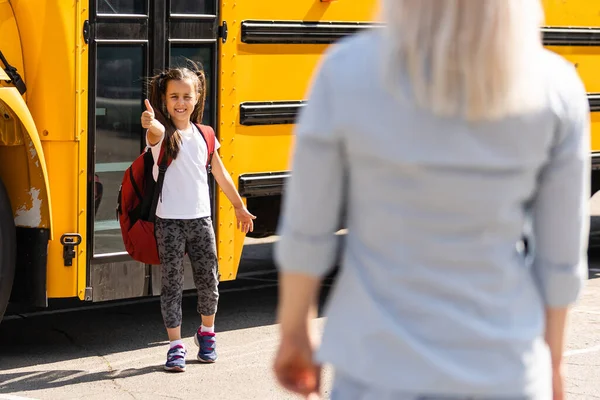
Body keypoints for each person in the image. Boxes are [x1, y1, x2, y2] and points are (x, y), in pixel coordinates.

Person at [273, 1, 590, 399]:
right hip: (506, 369)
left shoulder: (346, 71)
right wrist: (553, 364)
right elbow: (559, 259)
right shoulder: (555, 85)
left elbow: (307, 230)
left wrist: (296, 332)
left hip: (377, 372)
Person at [140, 64, 256, 372]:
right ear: (164, 101)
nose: (180, 102)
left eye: (186, 96)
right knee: (172, 284)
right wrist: (150, 123)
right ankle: (175, 346)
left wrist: (238, 206)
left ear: (197, 97)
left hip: (201, 220)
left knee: (209, 282)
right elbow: (154, 132)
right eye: (174, 96)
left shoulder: (206, 135)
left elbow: (220, 173)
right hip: (169, 222)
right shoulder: (163, 134)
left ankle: (206, 333)